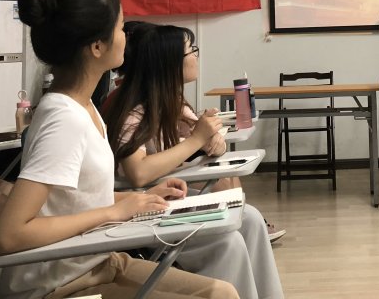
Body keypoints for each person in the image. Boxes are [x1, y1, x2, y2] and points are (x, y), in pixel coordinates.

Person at [0, 0, 237, 299]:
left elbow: (73, 201)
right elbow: (9, 236)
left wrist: (139, 199)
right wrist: (113, 212)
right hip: (58, 285)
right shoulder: (63, 119)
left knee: (221, 292)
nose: (125, 37)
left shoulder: (83, 106)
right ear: (97, 47)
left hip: (97, 262)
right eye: (120, 28)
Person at [103, 24, 284, 299]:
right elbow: (138, 172)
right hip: (146, 209)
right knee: (228, 242)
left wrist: (212, 139)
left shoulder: (171, 100)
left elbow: (204, 137)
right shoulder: (133, 110)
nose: (196, 56)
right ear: (169, 63)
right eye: (192, 51)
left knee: (251, 218)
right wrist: (198, 139)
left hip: (166, 199)